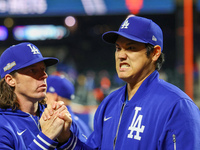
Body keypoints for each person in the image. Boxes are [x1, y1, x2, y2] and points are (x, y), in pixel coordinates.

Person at [57, 15, 200, 149]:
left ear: (155, 53)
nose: (121, 55)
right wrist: (66, 138)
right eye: (118, 48)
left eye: (131, 48)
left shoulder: (177, 106)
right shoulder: (109, 103)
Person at [0, 42, 77, 149]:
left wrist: (66, 140)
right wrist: (46, 138)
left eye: (43, 69)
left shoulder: (56, 116)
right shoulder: (3, 125)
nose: (44, 75)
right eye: (33, 70)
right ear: (11, 80)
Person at [46, 75, 92, 139]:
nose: (43, 99)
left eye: (46, 95)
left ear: (54, 96)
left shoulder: (58, 123)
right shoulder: (81, 124)